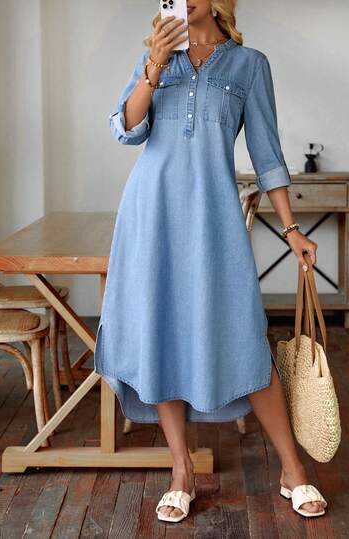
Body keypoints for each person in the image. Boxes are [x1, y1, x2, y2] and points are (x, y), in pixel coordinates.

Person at [94, 0, 327, 524]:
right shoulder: (156, 57)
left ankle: (293, 469)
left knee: (244, 335)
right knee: (162, 335)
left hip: (214, 218)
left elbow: (267, 154)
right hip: (151, 214)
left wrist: (292, 229)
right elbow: (125, 127)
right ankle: (182, 471)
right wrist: (154, 65)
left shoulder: (250, 65)